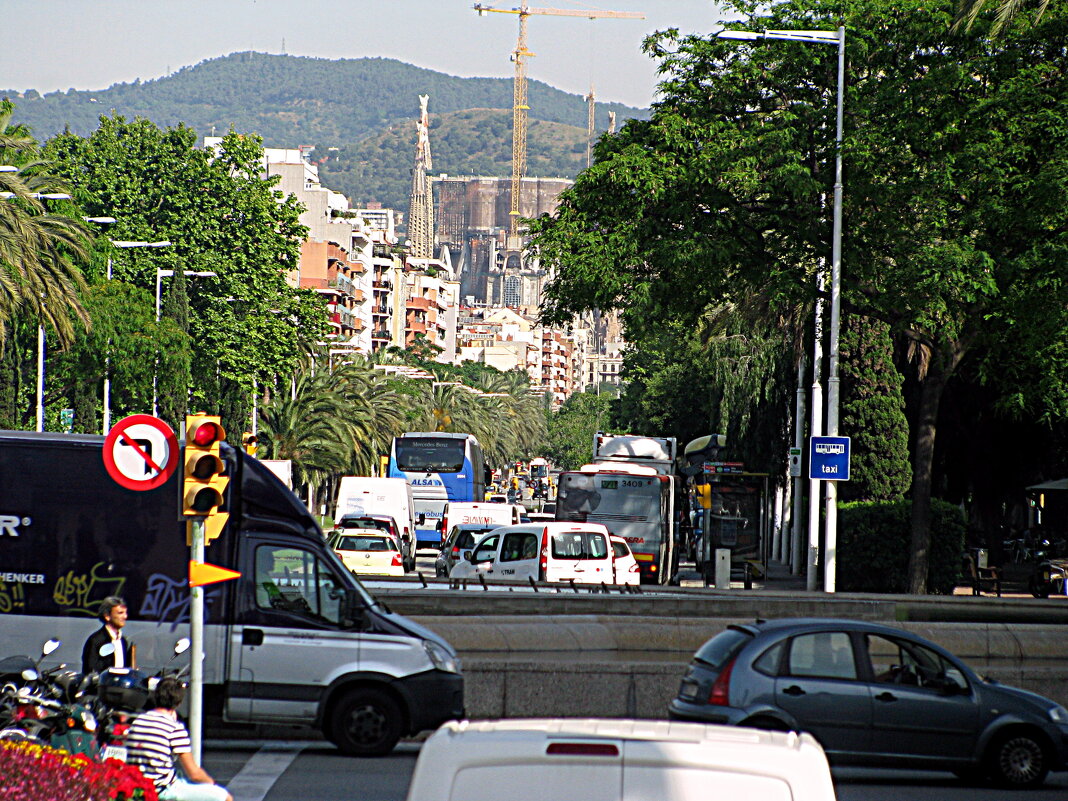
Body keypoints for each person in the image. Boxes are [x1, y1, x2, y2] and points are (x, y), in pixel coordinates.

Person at [126, 677, 233, 801]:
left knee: (181, 779)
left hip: (136, 787)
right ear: (178, 703)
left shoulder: (138, 721)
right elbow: (194, 774)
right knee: (224, 797)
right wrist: (213, 785)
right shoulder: (174, 728)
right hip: (162, 789)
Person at [82, 596, 136, 674]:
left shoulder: (123, 641)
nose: (125, 616)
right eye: (120, 613)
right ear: (107, 616)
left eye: (125, 613)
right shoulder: (96, 640)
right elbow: (90, 670)